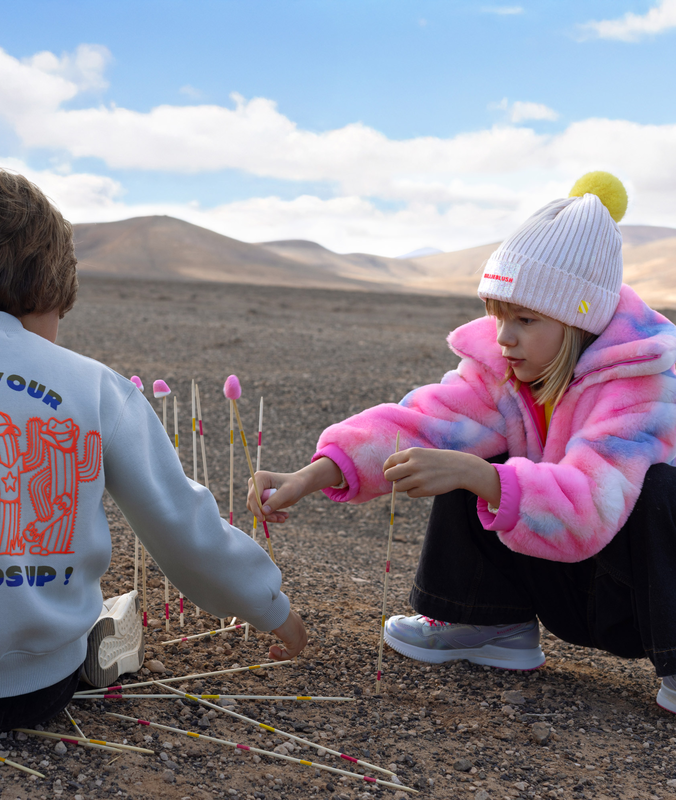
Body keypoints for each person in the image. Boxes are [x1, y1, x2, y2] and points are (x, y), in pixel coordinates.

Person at [0, 166, 307, 740]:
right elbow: (182, 521)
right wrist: (271, 607)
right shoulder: (93, 384)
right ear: (49, 284)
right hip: (43, 686)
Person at [247, 172, 676, 714]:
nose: (504, 337)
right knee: (464, 449)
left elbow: (592, 504)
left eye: (525, 319)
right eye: (499, 316)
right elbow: (423, 422)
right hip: (573, 587)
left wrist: (480, 477)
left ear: (577, 321)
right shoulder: (506, 374)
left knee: (662, 487)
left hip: (643, 602)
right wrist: (314, 473)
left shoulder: (644, 383)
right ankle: (486, 622)